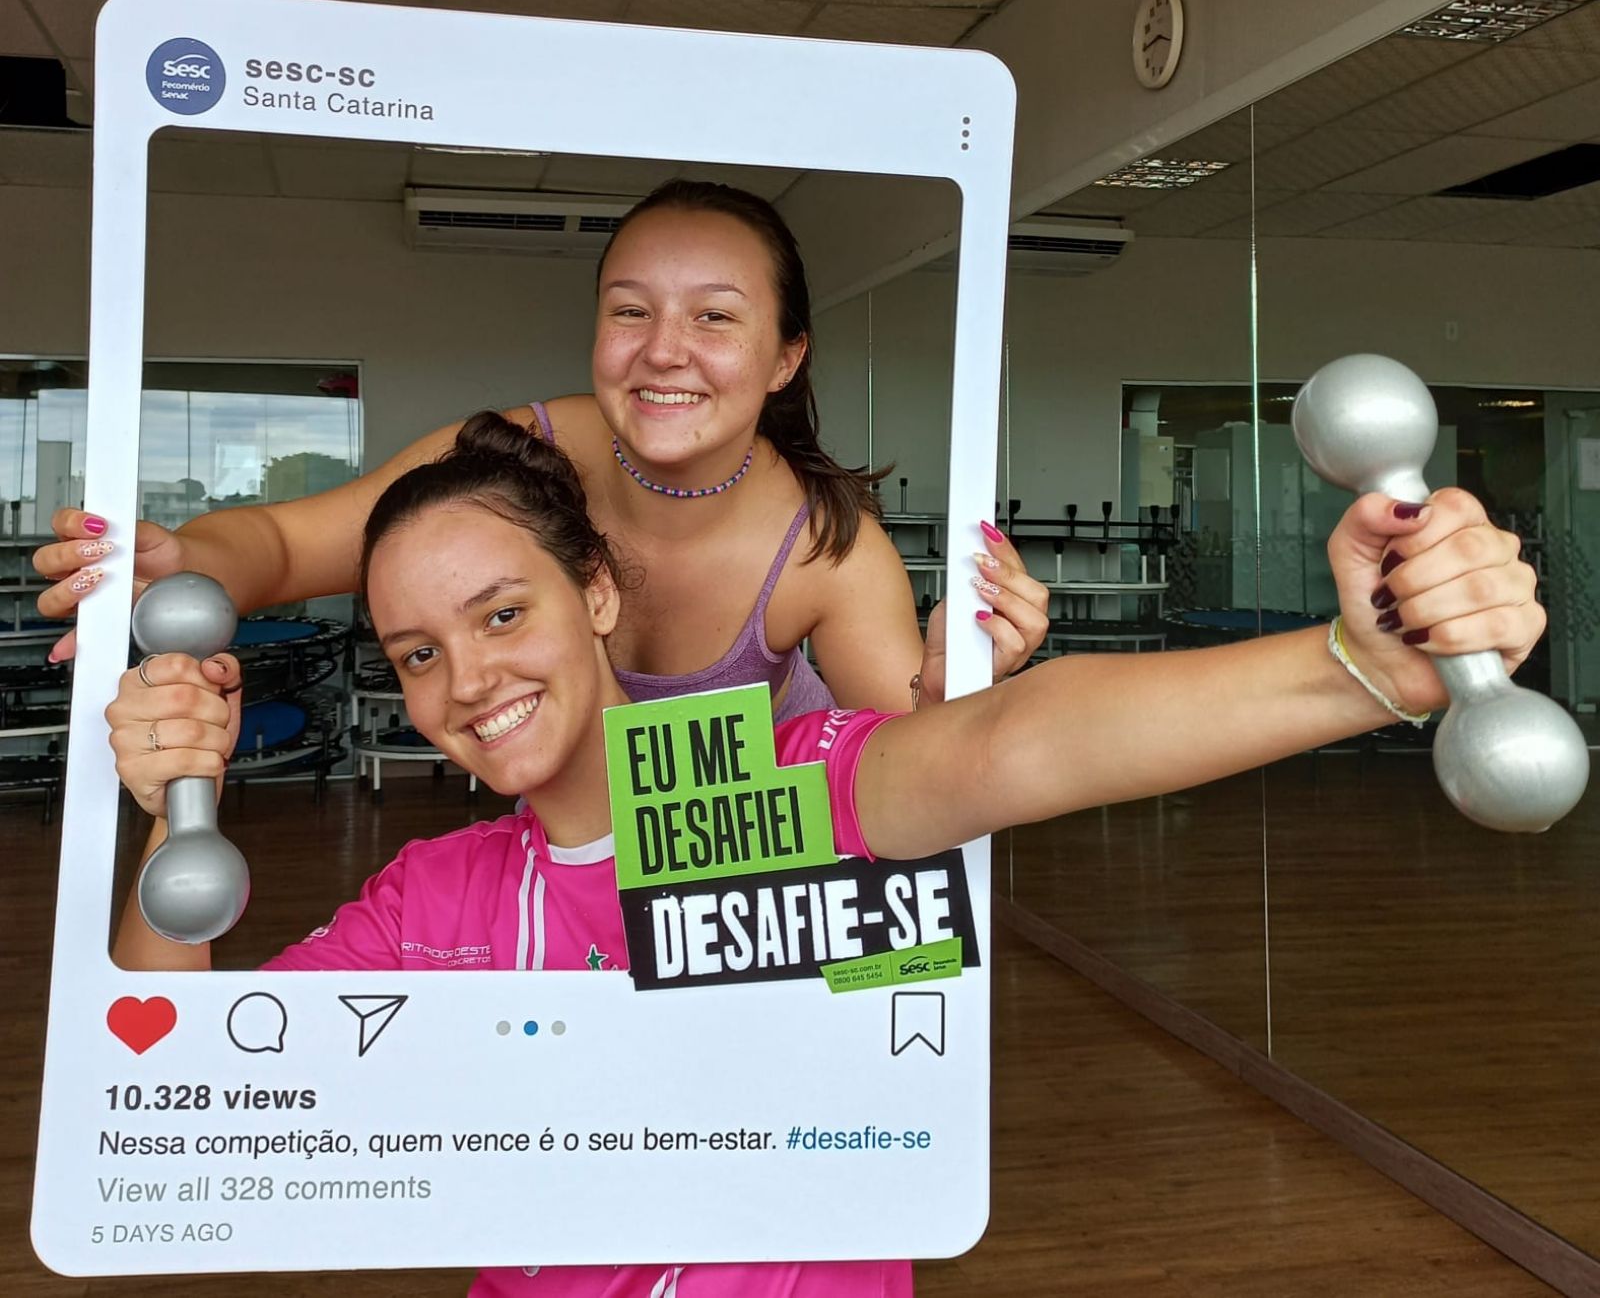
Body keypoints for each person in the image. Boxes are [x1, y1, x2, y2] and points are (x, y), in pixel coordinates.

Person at [110, 413, 1544, 1297]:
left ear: (596, 594)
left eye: (501, 615)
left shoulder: (755, 788)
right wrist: (176, 817)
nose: (466, 680)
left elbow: (1012, 746)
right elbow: (170, 1098)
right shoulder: (433, 900)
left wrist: (1355, 668)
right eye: (417, 653)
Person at [36, 179, 1048, 716]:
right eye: (631, 310)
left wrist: (962, 680)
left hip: (752, 888)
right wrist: (182, 568)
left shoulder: (824, 546)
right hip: (568, 871)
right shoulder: (512, 459)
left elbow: (919, 755)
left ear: (785, 357)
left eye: (714, 318)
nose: (664, 351)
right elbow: (287, 544)